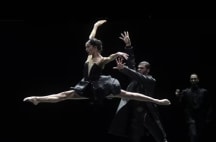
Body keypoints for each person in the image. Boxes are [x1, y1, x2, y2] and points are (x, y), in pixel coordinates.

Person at [23, 20, 171, 106]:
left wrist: (119, 53)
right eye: (86, 46)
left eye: (88, 46)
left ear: (94, 47)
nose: (86, 48)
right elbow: (91, 36)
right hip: (86, 86)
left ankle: (157, 101)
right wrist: (96, 25)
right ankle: (37, 99)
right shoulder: (89, 56)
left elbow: (111, 57)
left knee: (128, 94)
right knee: (63, 95)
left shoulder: (101, 59)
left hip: (101, 87)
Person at [109, 31, 168, 142]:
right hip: (133, 110)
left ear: (148, 70)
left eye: (142, 68)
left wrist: (124, 69)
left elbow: (135, 74)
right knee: (131, 133)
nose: (139, 69)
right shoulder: (135, 77)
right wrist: (128, 46)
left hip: (147, 111)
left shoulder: (150, 80)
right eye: (139, 68)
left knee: (159, 135)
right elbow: (131, 64)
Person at [175, 73, 213, 142]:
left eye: (195, 79)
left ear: (198, 80)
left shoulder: (204, 92)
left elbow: (209, 105)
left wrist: (208, 117)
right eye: (191, 79)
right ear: (190, 80)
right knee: (193, 135)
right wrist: (177, 96)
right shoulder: (186, 92)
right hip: (191, 118)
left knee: (199, 136)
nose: (193, 80)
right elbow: (180, 102)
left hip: (201, 118)